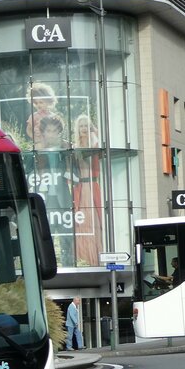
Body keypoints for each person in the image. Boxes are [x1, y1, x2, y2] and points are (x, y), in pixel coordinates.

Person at [71, 113, 104, 267]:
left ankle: (94, 258)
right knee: (81, 222)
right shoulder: (74, 146)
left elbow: (98, 139)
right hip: (80, 187)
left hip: (92, 186)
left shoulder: (94, 143)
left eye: (86, 125)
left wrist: (93, 132)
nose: (83, 128)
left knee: (94, 220)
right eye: (81, 126)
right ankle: (83, 257)